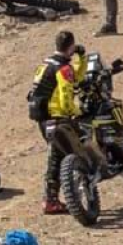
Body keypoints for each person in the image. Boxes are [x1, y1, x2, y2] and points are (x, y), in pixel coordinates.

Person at [27, 31, 85, 214]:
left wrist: (80, 59)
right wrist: (75, 112)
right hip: (56, 116)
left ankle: (53, 198)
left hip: (41, 116)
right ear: (71, 47)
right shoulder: (63, 68)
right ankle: (52, 200)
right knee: (61, 157)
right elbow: (67, 93)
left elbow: (75, 78)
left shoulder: (46, 63)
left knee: (57, 156)